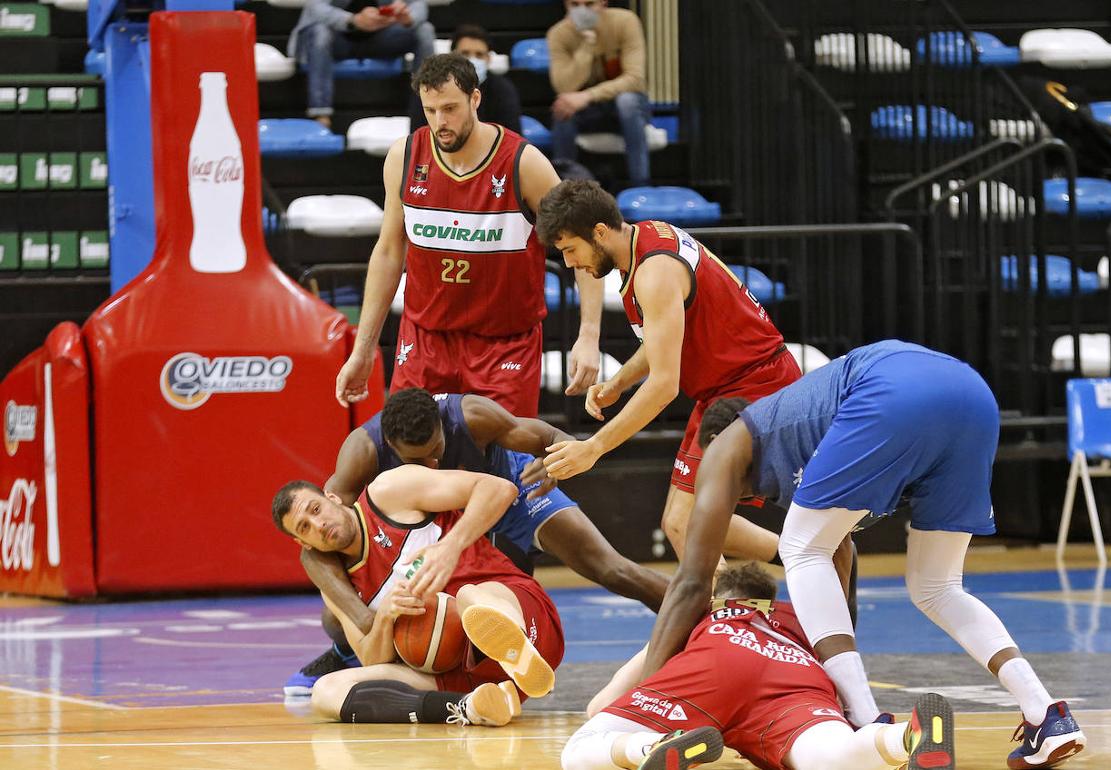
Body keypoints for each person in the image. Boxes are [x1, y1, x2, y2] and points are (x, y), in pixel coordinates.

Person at [641, 340, 1087, 770]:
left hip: (894, 384)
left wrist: (646, 700)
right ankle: (1045, 714)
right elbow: (840, 558)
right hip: (972, 396)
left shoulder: (729, 443)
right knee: (936, 587)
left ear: (715, 440)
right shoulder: (798, 445)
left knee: (799, 546)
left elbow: (692, 580)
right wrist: (836, 669)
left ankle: (865, 717)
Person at [285, 387, 670, 695]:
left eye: (436, 451)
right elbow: (316, 550)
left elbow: (552, 437)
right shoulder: (362, 451)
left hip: (511, 490)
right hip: (443, 512)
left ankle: (694, 619)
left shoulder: (472, 415)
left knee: (610, 568)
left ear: (442, 427)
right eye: (418, 461)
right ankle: (346, 654)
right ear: (388, 444)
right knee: (337, 610)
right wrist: (363, 619)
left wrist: (557, 461)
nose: (432, 464)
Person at [536, 178, 801, 565]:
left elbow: (663, 386)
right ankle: (804, 558)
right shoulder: (643, 238)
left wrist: (594, 447)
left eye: (571, 249)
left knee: (686, 522)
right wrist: (619, 382)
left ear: (599, 231)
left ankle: (775, 580)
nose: (569, 263)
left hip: (755, 385)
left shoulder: (654, 273)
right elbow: (665, 335)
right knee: (684, 521)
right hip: (728, 387)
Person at [335, 54, 605, 418]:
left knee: (503, 455)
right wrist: (364, 346)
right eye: (430, 110)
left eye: (450, 108)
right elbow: (388, 251)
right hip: (425, 340)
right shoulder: (405, 157)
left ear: (475, 99)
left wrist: (588, 334)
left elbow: (587, 243)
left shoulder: (523, 163)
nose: (440, 122)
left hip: (503, 346)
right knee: (405, 452)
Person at [562, 563, 955, 770]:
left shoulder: (704, 614)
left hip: (716, 665)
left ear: (719, 599)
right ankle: (905, 736)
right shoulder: (799, 617)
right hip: (797, 677)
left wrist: (645, 716)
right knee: (831, 758)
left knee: (579, 750)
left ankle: (649, 747)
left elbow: (600, 705)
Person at [271, 465, 564, 726]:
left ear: (332, 498)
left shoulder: (387, 493)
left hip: (525, 616)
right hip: (465, 676)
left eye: (315, 509)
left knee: (468, 597)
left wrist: (450, 547)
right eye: (305, 527)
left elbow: (499, 488)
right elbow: (373, 660)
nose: (318, 525)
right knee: (326, 692)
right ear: (303, 543)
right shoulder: (337, 587)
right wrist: (385, 617)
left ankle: (518, 649)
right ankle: (469, 707)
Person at [547, 0, 651, 184]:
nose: (582, 11)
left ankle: (640, 184)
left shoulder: (625, 21)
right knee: (563, 107)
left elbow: (635, 79)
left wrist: (588, 95)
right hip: (587, 111)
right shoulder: (558, 33)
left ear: (603, 3)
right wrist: (587, 45)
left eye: (589, 4)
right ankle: (562, 186)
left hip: (625, 106)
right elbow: (563, 87)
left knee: (627, 101)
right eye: (575, 5)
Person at [288, 0, 434, 128]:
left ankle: (426, 116)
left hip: (382, 38)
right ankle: (320, 116)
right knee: (319, 33)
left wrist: (407, 18)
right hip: (337, 40)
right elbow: (315, 8)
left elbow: (419, 6)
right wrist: (353, 20)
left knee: (424, 30)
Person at [410, 26, 522, 134]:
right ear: (452, 55)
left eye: (479, 55)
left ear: (488, 58)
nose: (472, 60)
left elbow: (511, 136)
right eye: (465, 53)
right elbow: (418, 138)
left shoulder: (503, 90)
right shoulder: (429, 88)